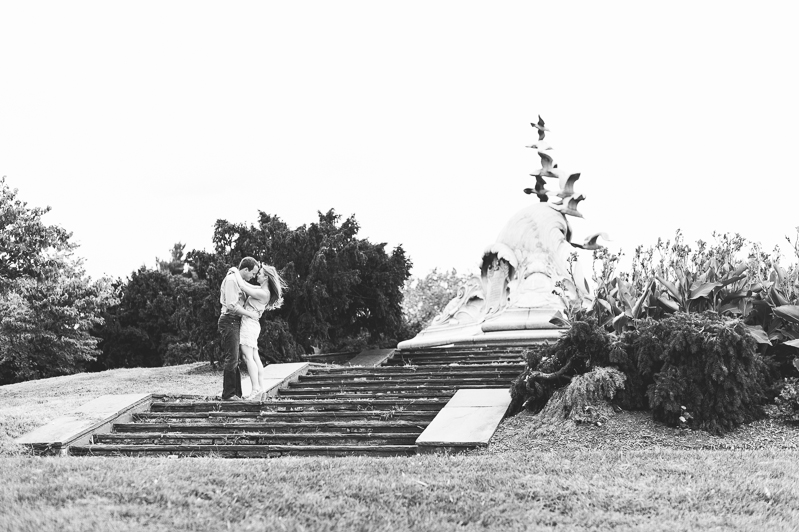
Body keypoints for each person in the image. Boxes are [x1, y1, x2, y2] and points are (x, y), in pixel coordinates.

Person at [228, 263, 287, 400]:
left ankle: (255, 389)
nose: (257, 275)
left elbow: (242, 286)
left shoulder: (262, 293)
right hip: (253, 324)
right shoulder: (261, 290)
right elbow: (244, 284)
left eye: (259, 273)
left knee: (248, 357)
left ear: (266, 277)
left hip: (249, 325)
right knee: (254, 357)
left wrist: (235, 270)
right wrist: (238, 274)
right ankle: (261, 388)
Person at [218, 256, 259, 401]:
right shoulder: (231, 280)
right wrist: (250, 314)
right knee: (232, 358)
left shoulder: (238, 281)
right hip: (229, 320)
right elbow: (231, 305)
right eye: (252, 273)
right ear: (246, 269)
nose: (253, 276)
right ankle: (228, 395)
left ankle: (236, 394)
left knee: (235, 359)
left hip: (235, 321)